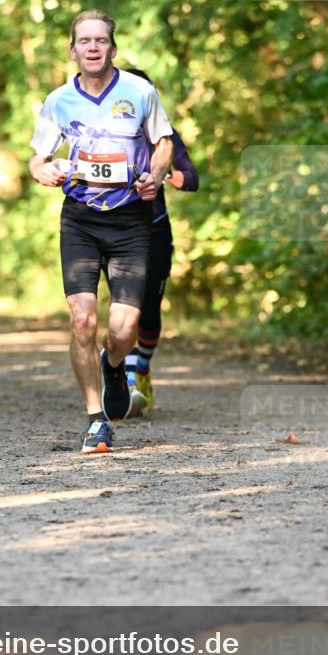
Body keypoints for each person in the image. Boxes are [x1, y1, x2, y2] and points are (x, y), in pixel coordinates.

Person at [29, 10, 173, 454]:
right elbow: (36, 157)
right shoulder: (57, 101)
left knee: (123, 331)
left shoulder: (139, 91)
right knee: (82, 321)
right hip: (81, 220)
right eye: (84, 41)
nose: (93, 47)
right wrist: (45, 170)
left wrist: (155, 174)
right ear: (72, 50)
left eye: (101, 40)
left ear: (113, 47)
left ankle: (115, 365)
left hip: (130, 222)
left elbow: (164, 142)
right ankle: (96, 420)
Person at [121, 69, 200, 415]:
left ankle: (141, 369)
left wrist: (164, 174)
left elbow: (192, 177)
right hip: (116, 230)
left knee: (149, 312)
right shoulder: (104, 131)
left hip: (154, 228)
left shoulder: (164, 135)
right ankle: (125, 382)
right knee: (124, 307)